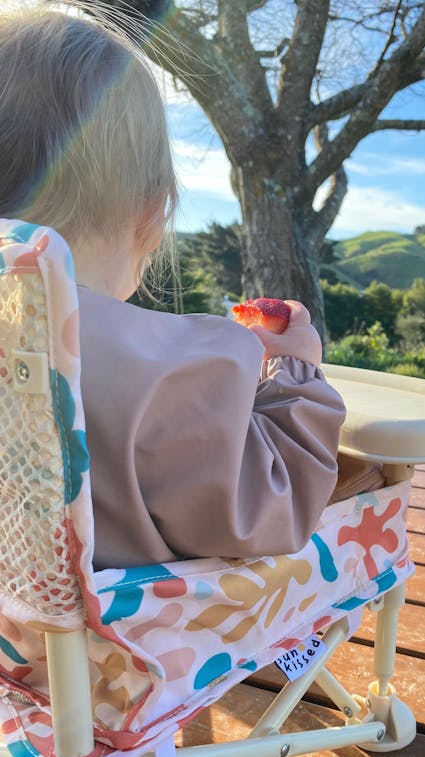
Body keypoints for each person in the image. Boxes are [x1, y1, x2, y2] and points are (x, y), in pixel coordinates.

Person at [0, 3, 348, 570]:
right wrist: (296, 377)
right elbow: (275, 506)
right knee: (369, 488)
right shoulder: (163, 372)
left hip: (13, 639)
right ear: (150, 215)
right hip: (126, 651)